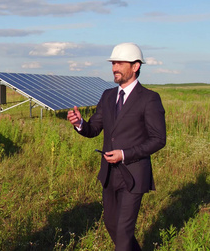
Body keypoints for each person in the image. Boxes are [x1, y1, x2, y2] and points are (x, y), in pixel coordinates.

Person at [67, 43, 166, 251]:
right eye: (113, 63)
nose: (114, 68)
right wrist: (79, 123)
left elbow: (158, 139)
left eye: (120, 63)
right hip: (109, 175)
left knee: (123, 234)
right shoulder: (108, 95)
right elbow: (94, 128)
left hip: (133, 175)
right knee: (112, 226)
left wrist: (124, 154)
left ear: (136, 66)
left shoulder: (149, 98)